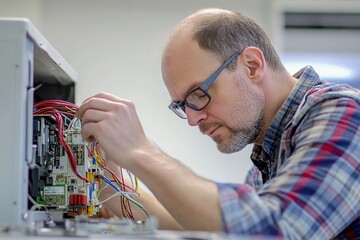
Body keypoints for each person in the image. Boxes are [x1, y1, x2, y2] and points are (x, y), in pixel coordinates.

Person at [76, 8, 360, 239]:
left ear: (251, 65)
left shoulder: (344, 112)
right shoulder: (268, 156)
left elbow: (273, 231)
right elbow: (203, 227)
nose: (192, 118)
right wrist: (111, 189)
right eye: (182, 105)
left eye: (199, 94)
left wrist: (140, 151)